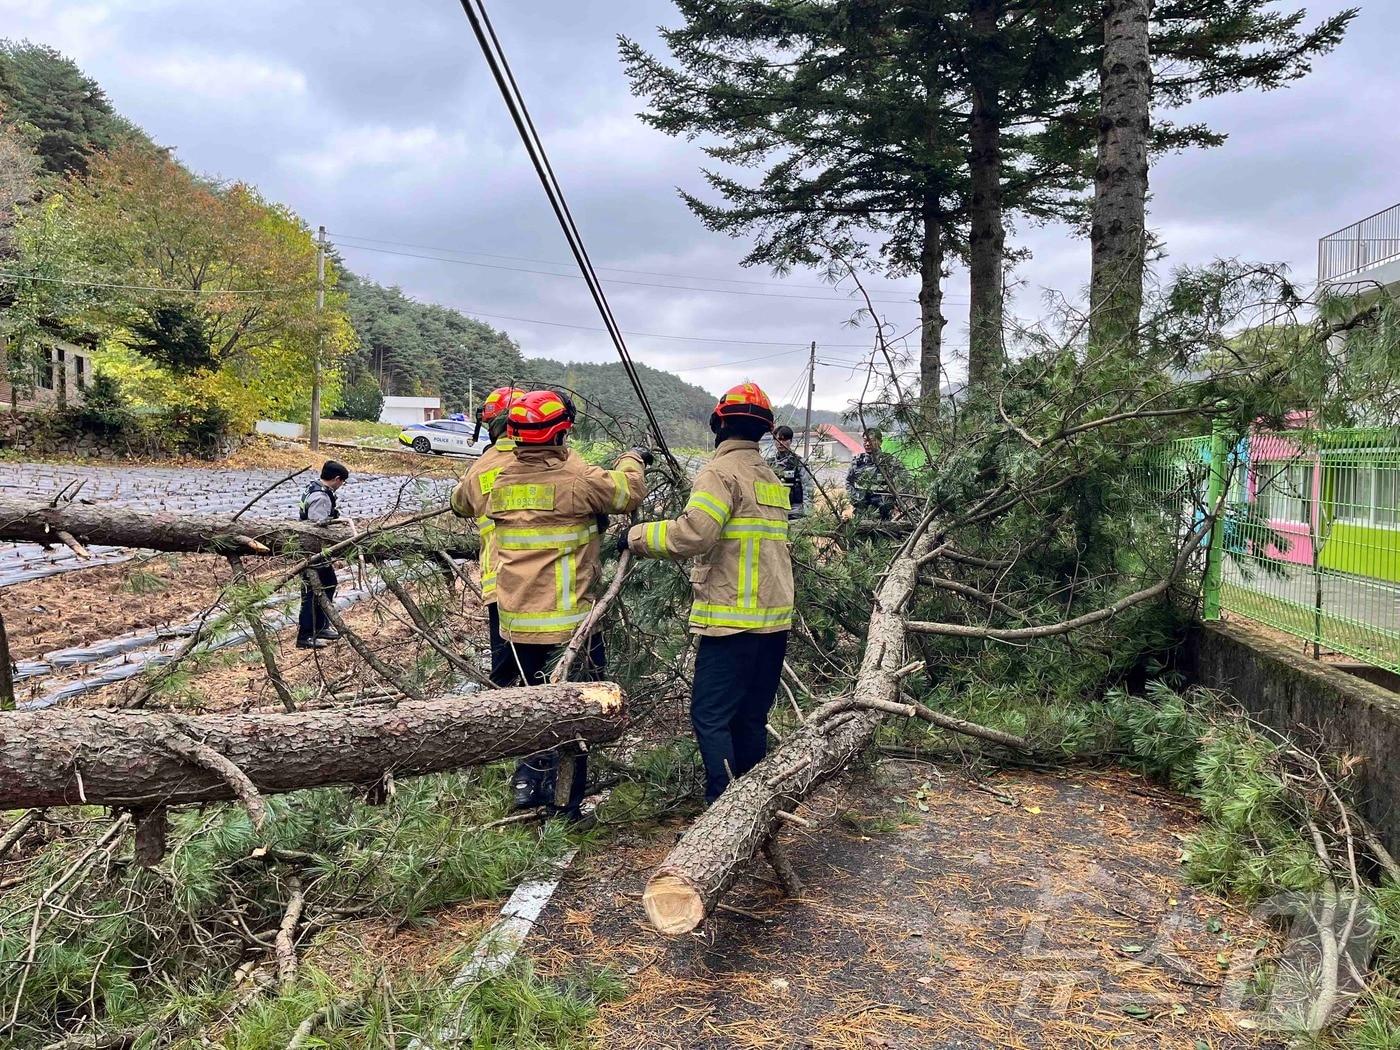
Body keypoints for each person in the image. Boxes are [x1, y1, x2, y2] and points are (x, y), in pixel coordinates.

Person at [621, 382, 794, 804]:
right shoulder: (769, 477)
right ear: (764, 431)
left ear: (718, 423)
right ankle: (752, 807)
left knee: (711, 717)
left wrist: (635, 536)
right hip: (773, 620)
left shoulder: (719, 473)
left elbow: (694, 534)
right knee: (750, 718)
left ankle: (720, 809)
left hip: (732, 620)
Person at [489, 389, 649, 817]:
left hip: (516, 624)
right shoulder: (578, 478)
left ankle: (526, 783)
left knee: (529, 705)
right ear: (563, 433)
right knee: (577, 714)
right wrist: (632, 458)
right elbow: (628, 492)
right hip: (572, 625)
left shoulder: (496, 478)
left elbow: (460, 501)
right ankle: (566, 804)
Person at [449, 385, 527, 682]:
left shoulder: (483, 466)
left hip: (500, 578)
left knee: (506, 666)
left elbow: (459, 504)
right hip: (550, 580)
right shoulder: (554, 461)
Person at [296, 460, 350, 650]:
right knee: (312, 592)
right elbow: (317, 528)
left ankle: (321, 626)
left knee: (329, 583)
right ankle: (305, 635)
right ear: (336, 479)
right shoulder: (320, 497)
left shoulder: (316, 488)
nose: (341, 486)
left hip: (319, 552)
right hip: (314, 552)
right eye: (342, 482)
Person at [846, 427, 900, 519]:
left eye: (871, 440)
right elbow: (848, 482)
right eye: (865, 441)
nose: (867, 444)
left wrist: (897, 505)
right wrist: (856, 499)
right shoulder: (857, 462)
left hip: (884, 512)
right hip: (862, 511)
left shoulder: (890, 462)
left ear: (880, 442)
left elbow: (902, 484)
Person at [767, 424, 806, 519]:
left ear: (791, 441)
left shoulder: (799, 462)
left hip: (795, 510)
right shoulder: (768, 463)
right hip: (775, 510)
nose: (781, 443)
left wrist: (807, 512)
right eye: (778, 440)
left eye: (784, 439)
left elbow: (807, 487)